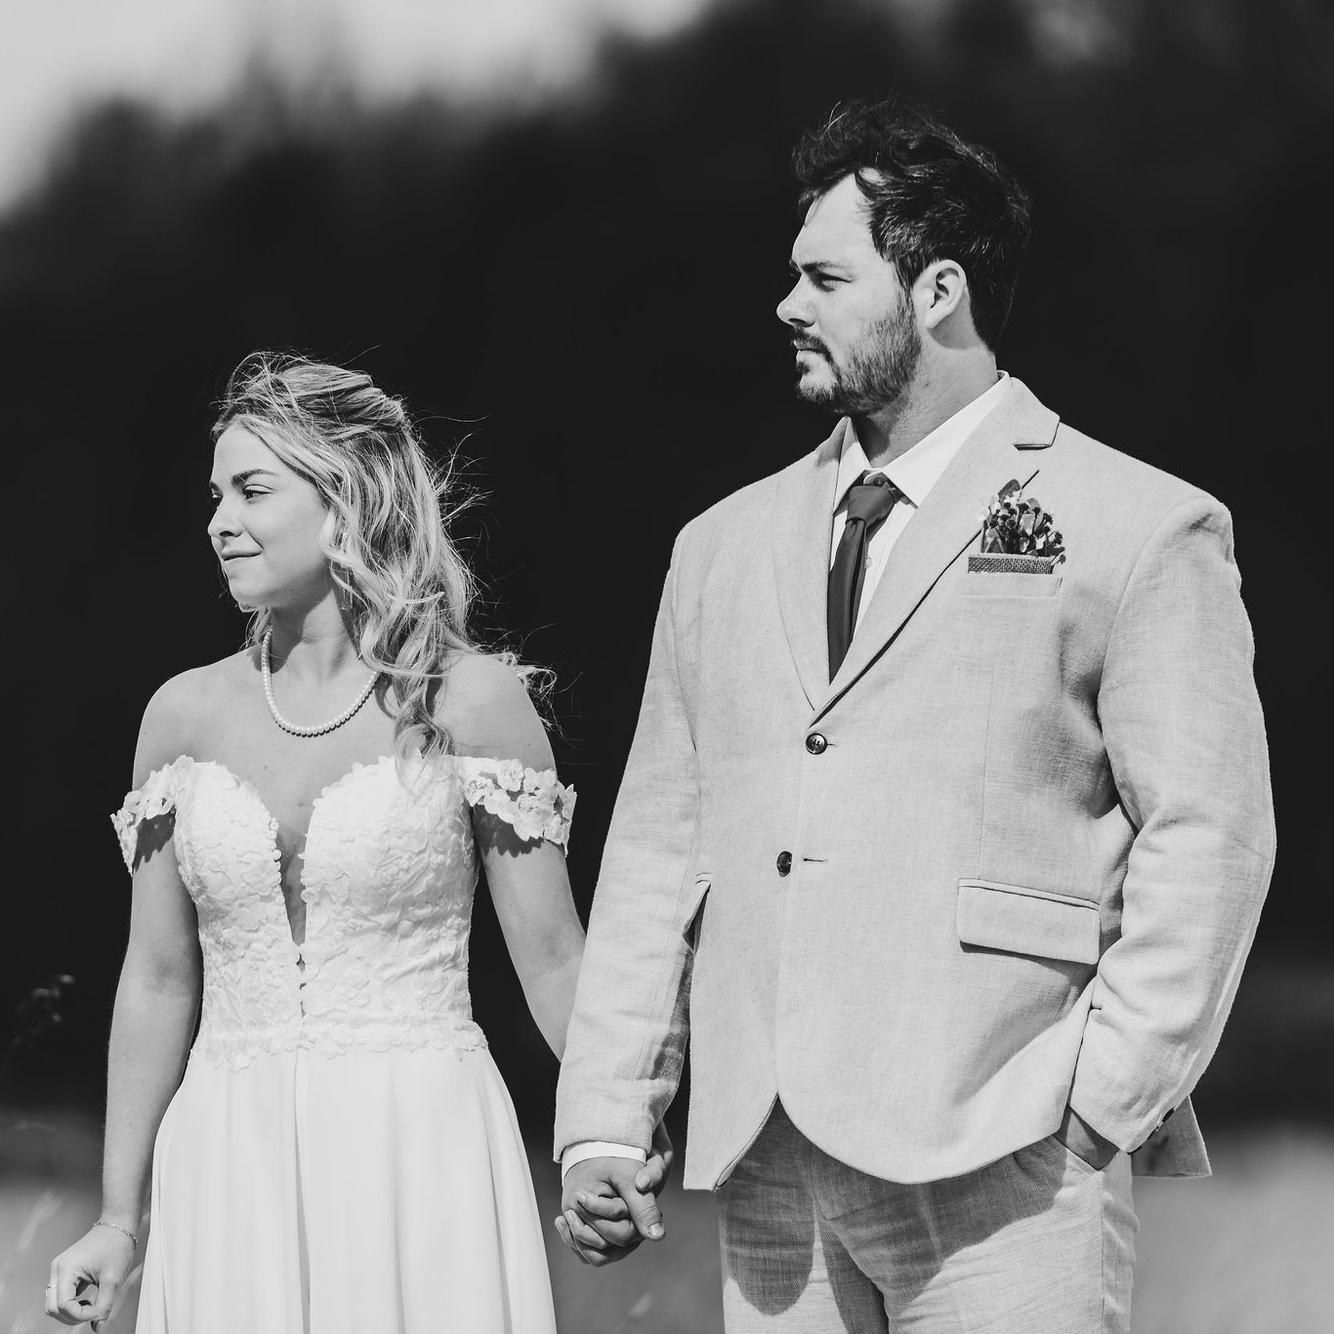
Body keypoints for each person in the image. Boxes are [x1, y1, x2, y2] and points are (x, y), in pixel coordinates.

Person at [552, 99, 1275, 1331]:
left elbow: (1209, 832)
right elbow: (658, 844)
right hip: (770, 1172)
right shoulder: (716, 547)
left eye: (825, 277)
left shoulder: (1141, 525)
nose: (786, 303)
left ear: (937, 290)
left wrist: (1097, 1100)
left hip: (1007, 1148)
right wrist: (605, 1118)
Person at [43, 352, 663, 1332]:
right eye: (215, 495)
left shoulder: (469, 701)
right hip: (228, 1156)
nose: (218, 521)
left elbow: (552, 957)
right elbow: (156, 979)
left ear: (346, 500)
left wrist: (612, 1130)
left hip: (418, 1146)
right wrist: (121, 1219)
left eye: (252, 490)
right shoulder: (182, 715)